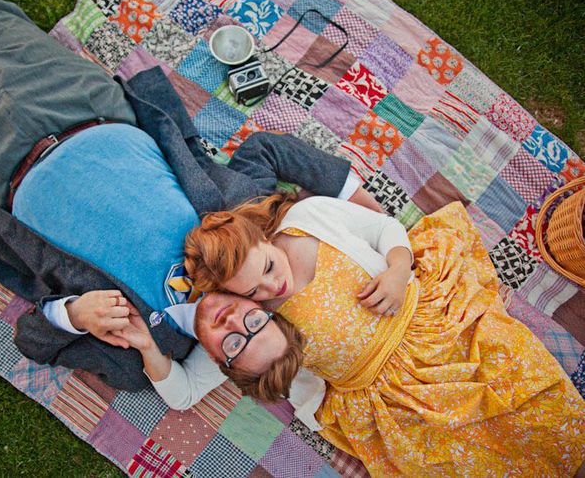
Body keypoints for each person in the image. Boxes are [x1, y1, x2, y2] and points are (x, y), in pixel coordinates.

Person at [0, 0, 380, 390]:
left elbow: (34, 341)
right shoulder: (241, 239)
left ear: (217, 363)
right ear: (263, 310)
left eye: (234, 346)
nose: (235, 324)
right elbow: (269, 151)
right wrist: (360, 200)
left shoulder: (145, 354)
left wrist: (75, 315)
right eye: (255, 324)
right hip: (84, 105)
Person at [178, 194, 585, 477]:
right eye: (253, 292)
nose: (272, 288)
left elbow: (383, 228)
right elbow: (237, 361)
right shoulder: (257, 319)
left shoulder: (309, 219)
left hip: (430, 326)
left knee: (523, 388)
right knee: (465, 457)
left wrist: (396, 270)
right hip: (388, 393)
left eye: (267, 268)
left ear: (264, 238)